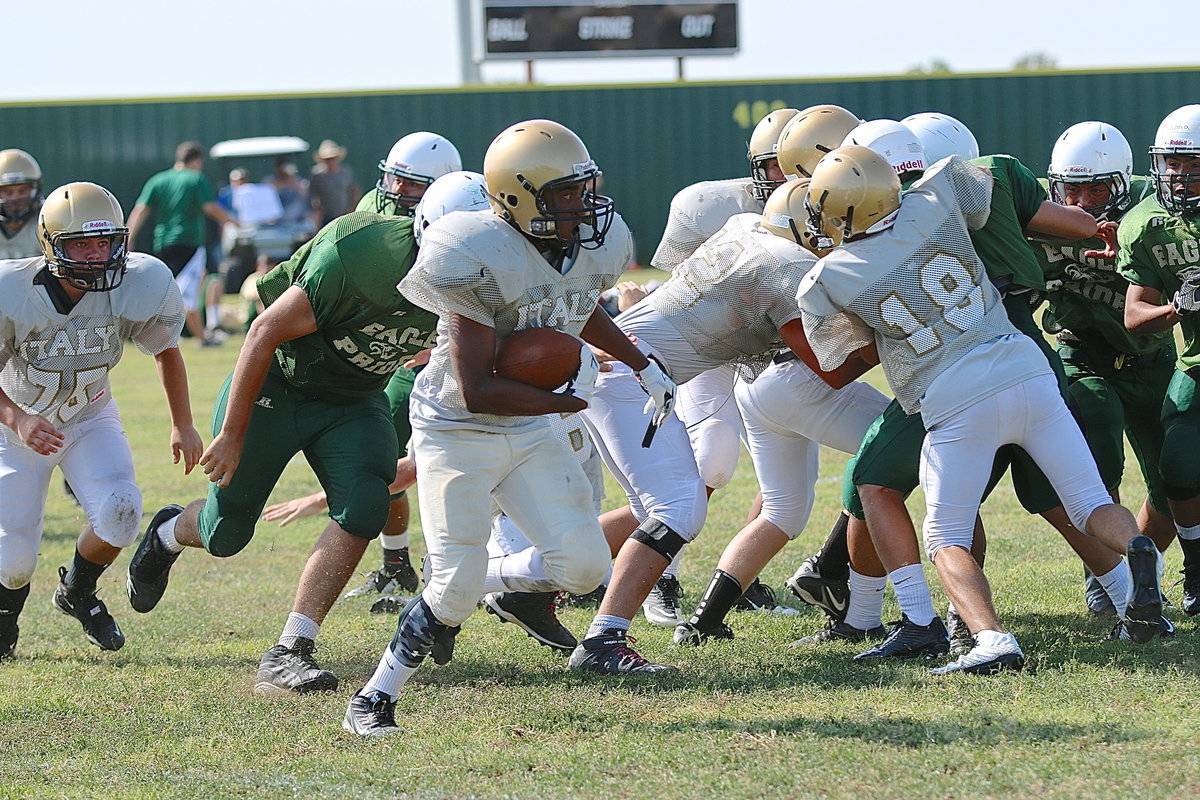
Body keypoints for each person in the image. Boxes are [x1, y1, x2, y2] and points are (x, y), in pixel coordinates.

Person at [343, 119, 674, 736]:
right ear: (520, 197)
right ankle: (375, 695)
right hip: (456, 428)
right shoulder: (474, 249)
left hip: (526, 429)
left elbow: (578, 310)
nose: (585, 204)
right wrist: (570, 399)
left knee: (583, 568)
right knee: (451, 590)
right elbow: (477, 386)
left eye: (585, 187)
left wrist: (639, 362)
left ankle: (485, 583)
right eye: (567, 193)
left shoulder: (588, 242)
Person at [797, 145, 1165, 675]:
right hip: (1025, 365)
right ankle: (1137, 546)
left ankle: (991, 639)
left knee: (946, 537)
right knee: (1087, 503)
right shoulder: (937, 195)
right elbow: (984, 193)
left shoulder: (827, 278)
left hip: (953, 397)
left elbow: (839, 357)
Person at [125, 202, 438, 696]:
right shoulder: (357, 252)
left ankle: (291, 649)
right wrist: (232, 433)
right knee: (225, 534)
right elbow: (265, 328)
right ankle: (168, 531)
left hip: (353, 399)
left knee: (365, 503)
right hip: (281, 385)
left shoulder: (485, 276)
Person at [671, 179, 891, 647]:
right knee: (895, 456)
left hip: (754, 385)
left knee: (782, 511)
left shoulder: (748, 232)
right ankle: (840, 583)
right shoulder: (789, 263)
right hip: (796, 380)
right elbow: (834, 370)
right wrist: (886, 341)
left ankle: (703, 620)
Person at [0, 182, 202, 660]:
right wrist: (20, 419)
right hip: (15, 427)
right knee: (13, 560)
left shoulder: (141, 281)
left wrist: (183, 423)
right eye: (81, 245)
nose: (95, 256)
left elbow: (166, 351)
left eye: (104, 243)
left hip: (88, 416)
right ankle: (6, 616)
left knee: (122, 512)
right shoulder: (11, 291)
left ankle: (78, 591)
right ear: (52, 245)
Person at [638, 106, 802, 627]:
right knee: (711, 459)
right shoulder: (710, 205)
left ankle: (739, 580)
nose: (778, 176)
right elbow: (686, 288)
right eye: (770, 164)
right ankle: (660, 573)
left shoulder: (834, 200)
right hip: (712, 340)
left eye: (789, 163)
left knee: (782, 467)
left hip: (775, 344)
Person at [1032, 121, 1178, 619]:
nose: (1086, 201)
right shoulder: (1041, 216)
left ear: (1123, 182)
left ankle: (1143, 573)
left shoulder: (1152, 209)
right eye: (1073, 189)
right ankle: (1108, 575)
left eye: (1098, 188)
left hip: (1151, 359)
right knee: (1096, 469)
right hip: (1083, 357)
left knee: (1176, 485)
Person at [1119, 103, 1200, 618]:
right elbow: (1134, 314)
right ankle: (1196, 566)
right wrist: (1178, 306)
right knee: (1177, 463)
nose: (1177, 174)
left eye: (1191, 163)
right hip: (1196, 363)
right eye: (1171, 163)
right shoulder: (1148, 224)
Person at [126, 141, 235, 347]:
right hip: (189, 242)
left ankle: (167, 334)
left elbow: (141, 209)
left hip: (163, 243)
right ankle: (202, 339)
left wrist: (129, 237)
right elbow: (210, 207)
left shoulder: (158, 180)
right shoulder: (196, 178)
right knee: (188, 293)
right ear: (196, 160)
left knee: (169, 290)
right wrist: (234, 221)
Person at [358, 131, 462, 217]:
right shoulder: (371, 206)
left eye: (412, 184)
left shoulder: (451, 221)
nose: (399, 189)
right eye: (397, 180)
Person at [0, 149, 43, 259]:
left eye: (22, 191)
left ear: (34, 190)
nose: (15, 198)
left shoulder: (45, 220)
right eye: (8, 192)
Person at [309, 139, 361, 227]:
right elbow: (312, 194)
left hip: (344, 215)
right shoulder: (317, 175)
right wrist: (317, 211)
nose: (330, 162)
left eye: (333, 158)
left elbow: (355, 190)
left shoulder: (346, 172)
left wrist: (352, 209)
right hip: (326, 217)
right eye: (327, 159)